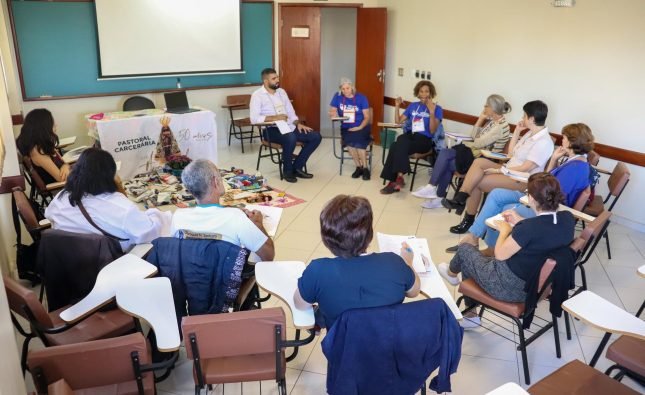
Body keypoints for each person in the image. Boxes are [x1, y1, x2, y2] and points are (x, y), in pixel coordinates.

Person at [438, 172, 575, 328]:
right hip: (537, 286)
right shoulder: (567, 219)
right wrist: (519, 222)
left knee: (464, 249)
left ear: (530, 198)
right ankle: (470, 314)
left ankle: (452, 275)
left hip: (507, 287)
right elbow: (543, 231)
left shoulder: (529, 228)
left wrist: (504, 229)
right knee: (471, 262)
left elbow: (500, 254)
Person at [449, 123, 596, 255]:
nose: (562, 141)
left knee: (506, 208)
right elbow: (548, 180)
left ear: (571, 142)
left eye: (564, 138)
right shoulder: (574, 161)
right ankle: (473, 237)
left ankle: (492, 250)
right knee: (496, 194)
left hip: (546, 209)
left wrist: (529, 199)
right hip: (539, 198)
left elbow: (555, 196)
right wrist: (553, 160)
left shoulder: (576, 168)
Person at [294, 195, 420, 329]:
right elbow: (414, 292)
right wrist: (408, 262)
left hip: (341, 347)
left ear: (326, 240)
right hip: (388, 343)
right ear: (370, 234)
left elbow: (300, 305)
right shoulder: (395, 263)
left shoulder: (317, 271)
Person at [442, 100, 554, 233]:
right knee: (478, 162)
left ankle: (468, 219)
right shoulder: (530, 133)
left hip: (522, 180)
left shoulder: (544, 142)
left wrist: (499, 170)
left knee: (478, 182)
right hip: (510, 171)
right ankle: (461, 197)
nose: (522, 118)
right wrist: (517, 131)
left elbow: (526, 168)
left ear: (531, 118)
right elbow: (511, 153)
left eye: (524, 116)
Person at [45, 148, 172, 252]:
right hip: (112, 266)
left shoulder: (61, 197)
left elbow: (49, 216)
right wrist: (155, 213)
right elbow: (151, 233)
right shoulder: (122, 208)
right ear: (109, 176)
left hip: (71, 267)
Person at [412, 94, 511, 208]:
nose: (484, 107)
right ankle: (432, 189)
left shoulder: (500, 126)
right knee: (445, 153)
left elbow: (477, 142)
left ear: (493, 108)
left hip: (483, 160)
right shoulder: (493, 122)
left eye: (486, 105)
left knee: (447, 162)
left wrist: (477, 137)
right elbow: (473, 136)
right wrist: (480, 119)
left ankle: (436, 194)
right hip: (475, 154)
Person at [170, 159, 275, 261]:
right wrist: (258, 225)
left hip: (190, 277)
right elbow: (269, 255)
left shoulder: (178, 216)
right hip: (225, 278)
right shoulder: (235, 217)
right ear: (216, 182)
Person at [250, 68, 322, 183]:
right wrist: (275, 117)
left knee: (315, 136)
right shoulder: (257, 95)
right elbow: (254, 119)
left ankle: (297, 167)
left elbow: (290, 112)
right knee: (290, 138)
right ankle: (287, 171)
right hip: (271, 130)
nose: (277, 80)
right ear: (265, 81)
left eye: (277, 77)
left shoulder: (282, 92)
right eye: (274, 78)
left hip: (288, 126)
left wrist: (298, 124)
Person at [380, 80, 445, 194]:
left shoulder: (437, 109)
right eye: (421, 91)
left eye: (427, 91)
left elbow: (432, 130)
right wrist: (397, 106)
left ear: (431, 93)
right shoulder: (413, 106)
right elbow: (398, 121)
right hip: (411, 137)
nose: (424, 94)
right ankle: (398, 179)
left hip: (424, 141)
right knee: (398, 142)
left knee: (397, 143)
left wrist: (431, 112)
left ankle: (394, 180)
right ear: (418, 93)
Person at [328, 78, 371, 180]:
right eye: (343, 89)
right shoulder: (337, 96)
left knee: (359, 141)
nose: (345, 91)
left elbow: (367, 117)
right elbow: (333, 111)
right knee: (349, 142)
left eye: (347, 88)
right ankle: (358, 167)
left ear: (352, 87)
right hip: (346, 127)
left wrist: (359, 127)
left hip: (361, 126)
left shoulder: (362, 98)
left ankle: (365, 168)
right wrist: (332, 114)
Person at [16, 108, 70, 184]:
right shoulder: (37, 152)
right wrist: (67, 167)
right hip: (63, 188)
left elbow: (64, 163)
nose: (55, 125)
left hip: (70, 182)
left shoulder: (44, 145)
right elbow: (61, 178)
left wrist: (66, 166)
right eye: (52, 122)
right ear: (44, 126)